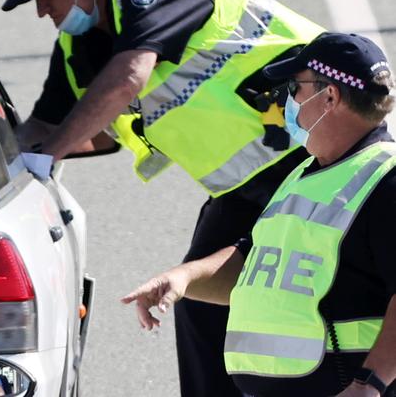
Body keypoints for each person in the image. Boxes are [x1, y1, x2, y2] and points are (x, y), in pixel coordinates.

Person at [2, 0, 325, 396]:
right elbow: (53, 127)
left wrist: (48, 155)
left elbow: (130, 76)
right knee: (200, 299)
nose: (41, 9)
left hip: (315, 154)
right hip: (241, 185)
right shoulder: (78, 44)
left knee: (324, 294)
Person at [122, 32, 396, 396]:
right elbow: (252, 259)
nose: (289, 101)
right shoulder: (304, 174)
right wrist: (185, 277)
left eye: (296, 89)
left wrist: (370, 384)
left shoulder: (386, 179)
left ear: (330, 96)